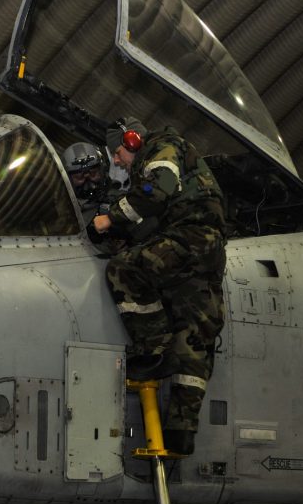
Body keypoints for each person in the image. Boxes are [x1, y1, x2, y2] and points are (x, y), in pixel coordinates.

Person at [92, 116, 226, 456]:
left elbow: (158, 189)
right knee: (194, 337)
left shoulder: (162, 149)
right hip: (208, 248)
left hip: (189, 237)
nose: (119, 161)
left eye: (118, 153)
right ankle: (180, 433)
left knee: (124, 269)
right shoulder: (170, 154)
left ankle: (152, 348)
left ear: (133, 141)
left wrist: (110, 218)